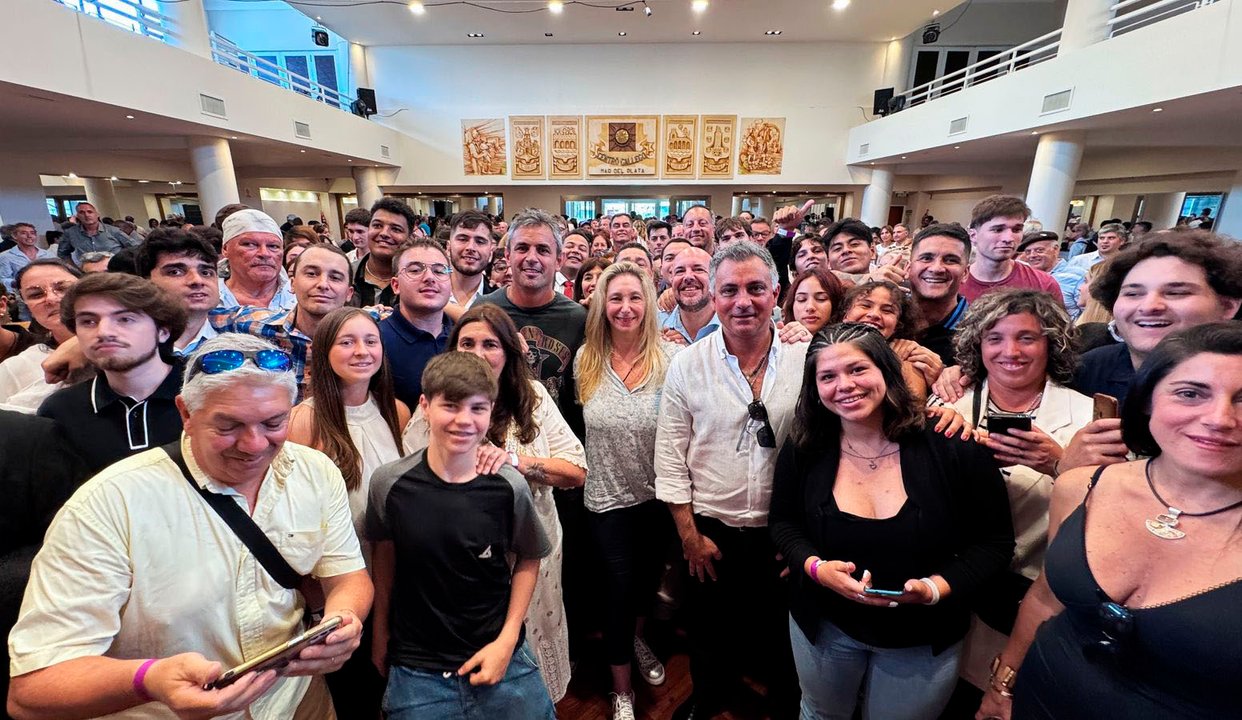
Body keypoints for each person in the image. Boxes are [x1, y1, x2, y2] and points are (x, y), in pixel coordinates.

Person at [7, 333, 373, 719]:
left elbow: (348, 575)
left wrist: (342, 621)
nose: (253, 444)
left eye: (273, 422)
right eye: (228, 426)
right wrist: (149, 679)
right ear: (185, 413)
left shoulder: (314, 471)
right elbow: (32, 689)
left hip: (298, 703)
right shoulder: (109, 504)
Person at [977, 322, 1242, 720]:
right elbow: (1046, 598)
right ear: (1148, 400)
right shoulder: (1083, 485)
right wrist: (1001, 684)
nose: (1220, 418)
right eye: (1190, 393)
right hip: (1037, 699)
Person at [768, 322, 1013, 720]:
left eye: (857, 369)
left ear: (885, 369)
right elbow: (783, 523)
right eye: (827, 376)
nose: (845, 385)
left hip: (923, 635)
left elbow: (994, 544)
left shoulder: (950, 444)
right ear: (813, 388)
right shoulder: (806, 444)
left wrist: (933, 589)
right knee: (819, 713)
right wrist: (816, 569)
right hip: (825, 624)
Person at [403, 304, 585, 703]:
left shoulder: (532, 397)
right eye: (467, 343)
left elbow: (575, 471)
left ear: (508, 351)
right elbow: (413, 478)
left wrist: (515, 462)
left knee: (529, 664)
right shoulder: (435, 404)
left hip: (532, 549)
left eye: (490, 344)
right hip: (463, 558)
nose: (479, 353)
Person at [655, 241, 804, 719]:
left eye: (755, 288)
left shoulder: (807, 359)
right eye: (730, 291)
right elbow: (670, 456)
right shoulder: (687, 364)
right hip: (711, 528)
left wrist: (806, 539)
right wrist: (688, 536)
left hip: (784, 529)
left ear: (776, 293)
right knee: (708, 626)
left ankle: (784, 704)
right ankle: (708, 695)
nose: (743, 301)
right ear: (715, 297)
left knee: (782, 631)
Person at [367, 352, 556, 720]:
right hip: (418, 667)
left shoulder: (508, 486)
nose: (464, 420)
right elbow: (385, 556)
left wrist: (507, 641)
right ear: (425, 406)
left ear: (491, 410)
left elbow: (529, 556)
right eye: (450, 405)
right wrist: (379, 631)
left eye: (477, 408)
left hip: (500, 655)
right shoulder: (389, 484)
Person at [945, 290, 1094, 704]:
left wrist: (1060, 465)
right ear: (977, 345)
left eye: (1026, 338)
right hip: (952, 595)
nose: (1010, 351)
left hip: (1034, 601)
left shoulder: (1088, 419)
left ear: (1051, 344)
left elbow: (1111, 519)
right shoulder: (946, 406)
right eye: (994, 338)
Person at [288, 306, 409, 718]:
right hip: (338, 582)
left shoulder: (396, 411)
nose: (361, 351)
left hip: (394, 572)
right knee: (353, 691)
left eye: (370, 341)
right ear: (325, 351)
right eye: (347, 342)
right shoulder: (304, 420)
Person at [575, 262, 681, 720]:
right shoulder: (586, 359)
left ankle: (636, 641)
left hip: (659, 498)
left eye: (634, 297)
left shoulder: (672, 358)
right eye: (615, 298)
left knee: (643, 587)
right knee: (617, 594)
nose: (625, 307)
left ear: (649, 303)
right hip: (606, 500)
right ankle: (622, 691)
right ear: (602, 304)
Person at [37, 273, 188, 475]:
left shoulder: (208, 393)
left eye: (125, 319)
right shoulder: (60, 410)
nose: (104, 332)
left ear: (163, 332)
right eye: (88, 321)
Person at [0, 259, 83, 412]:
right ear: (28, 308)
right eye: (36, 294)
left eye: (63, 288)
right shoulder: (16, 366)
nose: (51, 298)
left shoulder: (126, 342)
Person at [380, 239, 454, 407]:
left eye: (439, 271)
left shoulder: (464, 339)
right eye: (415, 270)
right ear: (395, 285)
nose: (429, 278)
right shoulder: (376, 340)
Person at [839, 280, 943, 400]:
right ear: (846, 314)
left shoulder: (907, 360)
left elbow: (914, 410)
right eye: (865, 305)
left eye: (887, 310)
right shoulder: (825, 350)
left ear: (897, 325)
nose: (874, 314)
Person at [137, 227, 222, 356]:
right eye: (175, 272)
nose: (197, 280)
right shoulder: (128, 345)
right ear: (146, 281)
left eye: (205, 272)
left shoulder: (242, 333)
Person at [961, 196, 1061, 303]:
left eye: (1016, 230)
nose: (1009, 238)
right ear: (973, 235)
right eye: (998, 230)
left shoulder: (1043, 284)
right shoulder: (954, 282)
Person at [907, 223, 971, 368]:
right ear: (908, 268)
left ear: (965, 273)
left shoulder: (980, 332)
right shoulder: (885, 317)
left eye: (950, 260)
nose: (936, 268)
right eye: (926, 258)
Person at [218, 209, 298, 311]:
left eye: (273, 246)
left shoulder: (302, 297)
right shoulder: (206, 300)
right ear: (225, 249)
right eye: (249, 244)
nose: (264, 253)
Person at [352, 197, 417, 307]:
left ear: (410, 238)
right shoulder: (346, 275)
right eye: (377, 225)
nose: (384, 233)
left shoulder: (419, 280)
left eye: (396, 229)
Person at [1018, 230, 1088, 320]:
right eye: (1028, 252)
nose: (1032, 255)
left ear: (1055, 249)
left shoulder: (1078, 276)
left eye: (1039, 250)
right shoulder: (1025, 276)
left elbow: (1088, 312)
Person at [659, 247, 719, 346]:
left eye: (698, 269)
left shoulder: (732, 324)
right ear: (672, 279)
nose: (688, 276)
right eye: (680, 271)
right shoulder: (655, 326)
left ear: (715, 278)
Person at [444, 210, 496, 321]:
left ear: (491, 253)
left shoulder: (499, 301)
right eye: (463, 239)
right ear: (448, 248)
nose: (471, 247)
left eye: (480, 241)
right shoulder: (427, 292)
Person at [56, 202, 139, 266]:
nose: (86, 215)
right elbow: (63, 254)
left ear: (97, 214)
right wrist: (75, 270)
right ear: (77, 216)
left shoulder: (114, 231)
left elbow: (136, 248)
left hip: (115, 271)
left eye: (90, 212)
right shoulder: (71, 233)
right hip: (88, 273)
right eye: (82, 212)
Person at [0, 223, 54, 307]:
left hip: (51, 295)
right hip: (24, 299)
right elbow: (3, 279)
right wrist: (19, 282)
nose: (29, 236)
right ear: (14, 236)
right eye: (24, 233)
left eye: (32, 233)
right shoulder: (5, 256)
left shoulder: (48, 255)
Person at [781, 266, 845, 335]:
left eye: (821, 299)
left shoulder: (849, 339)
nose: (810, 307)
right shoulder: (778, 339)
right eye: (801, 299)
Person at [559, 229, 592, 297]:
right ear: (559, 251)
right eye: (569, 246)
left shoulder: (592, 288)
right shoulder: (544, 281)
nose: (575, 251)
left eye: (582, 249)